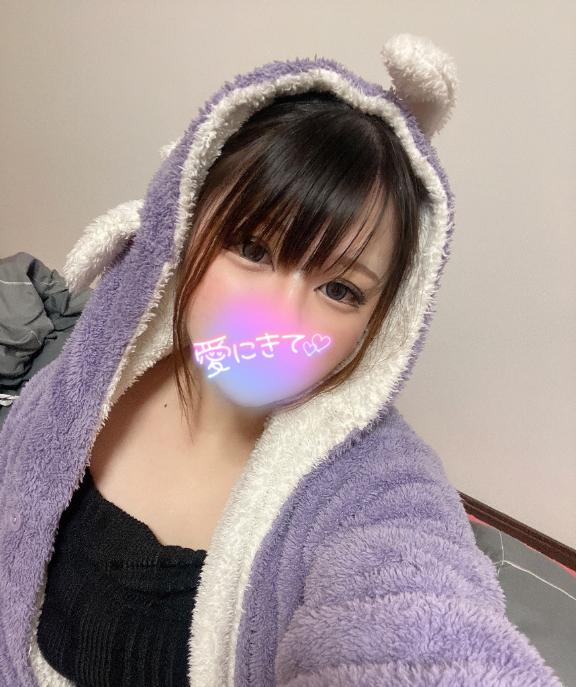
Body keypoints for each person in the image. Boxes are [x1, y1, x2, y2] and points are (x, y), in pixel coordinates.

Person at [0, 33, 563, 686]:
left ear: (381, 323)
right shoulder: (88, 372)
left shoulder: (377, 491)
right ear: (184, 225)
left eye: (340, 289)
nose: (280, 317)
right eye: (253, 248)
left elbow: (421, 628)